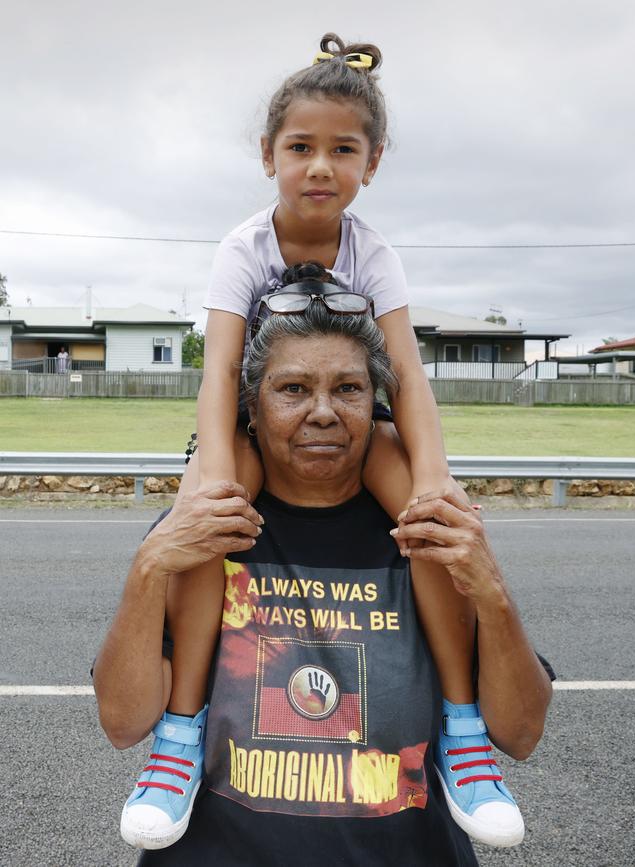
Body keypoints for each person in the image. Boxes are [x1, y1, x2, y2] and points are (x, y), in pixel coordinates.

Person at [117, 29, 525, 848]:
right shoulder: (245, 247)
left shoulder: (373, 252)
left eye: (344, 149)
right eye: (300, 146)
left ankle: (463, 731)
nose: (319, 166)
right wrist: (205, 483)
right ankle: (180, 735)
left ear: (372, 163)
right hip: (250, 420)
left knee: (429, 525)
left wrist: (436, 480)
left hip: (353, 419)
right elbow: (218, 369)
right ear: (268, 153)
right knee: (211, 522)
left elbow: (406, 377)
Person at [94, 302, 553, 865]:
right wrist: (147, 569)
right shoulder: (203, 534)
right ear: (252, 410)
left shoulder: (427, 530)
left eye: (349, 389)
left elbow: (522, 732)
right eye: (292, 388)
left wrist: (494, 595)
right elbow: (123, 721)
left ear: (377, 405)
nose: (323, 412)